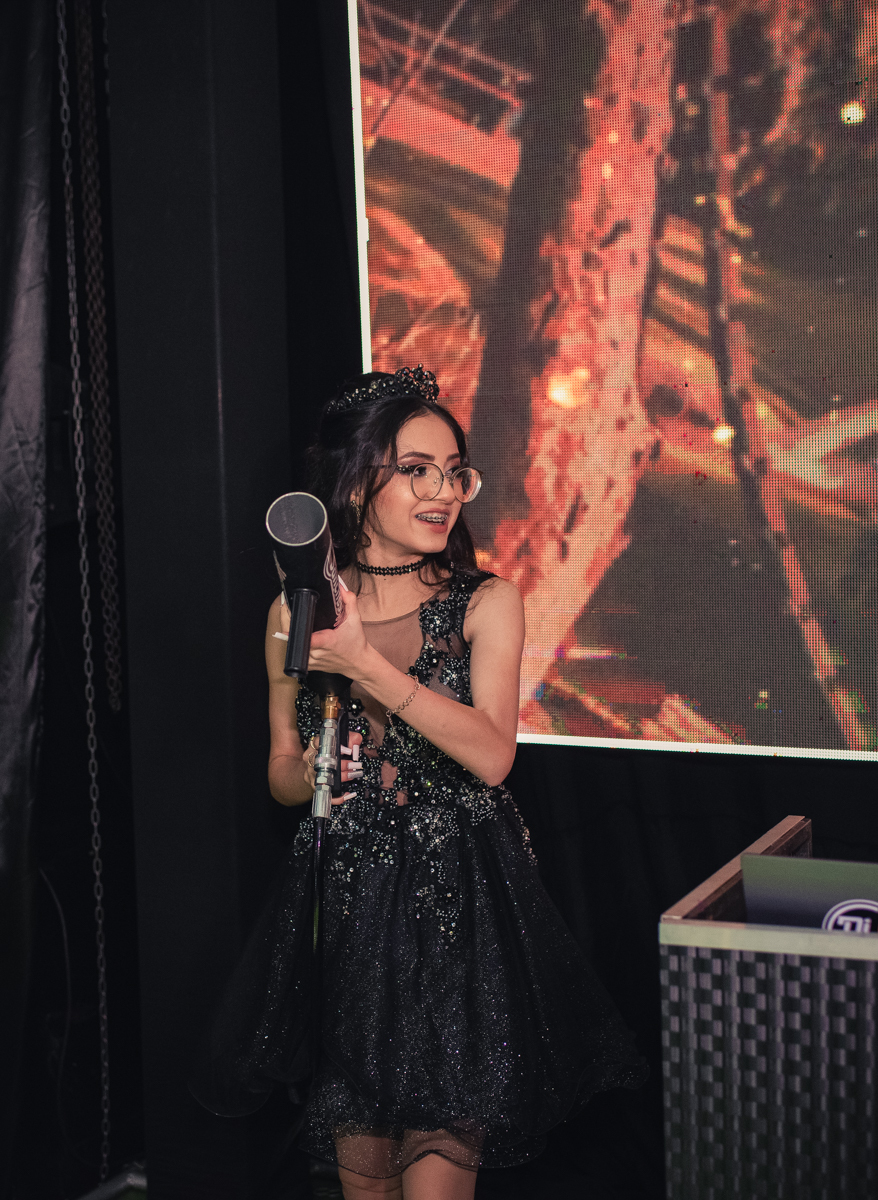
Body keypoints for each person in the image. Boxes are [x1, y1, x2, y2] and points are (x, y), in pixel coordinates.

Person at [192, 366, 647, 1200]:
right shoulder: (294, 612)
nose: (444, 492)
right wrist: (316, 774)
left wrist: (364, 663)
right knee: (364, 1186)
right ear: (356, 482)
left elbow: (493, 755)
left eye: (455, 472)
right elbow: (281, 774)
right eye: (417, 470)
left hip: (458, 909)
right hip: (353, 914)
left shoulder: (486, 601)